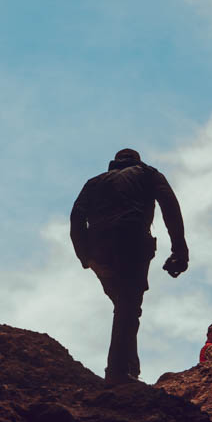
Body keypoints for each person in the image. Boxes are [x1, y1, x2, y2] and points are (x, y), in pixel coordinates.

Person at [70, 147, 188, 385]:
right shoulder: (147, 173)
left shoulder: (94, 182)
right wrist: (179, 249)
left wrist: (86, 257)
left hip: (99, 250)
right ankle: (118, 373)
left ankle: (130, 369)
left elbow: (76, 217)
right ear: (137, 160)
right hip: (132, 241)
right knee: (128, 306)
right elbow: (170, 207)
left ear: (114, 162)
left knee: (125, 306)